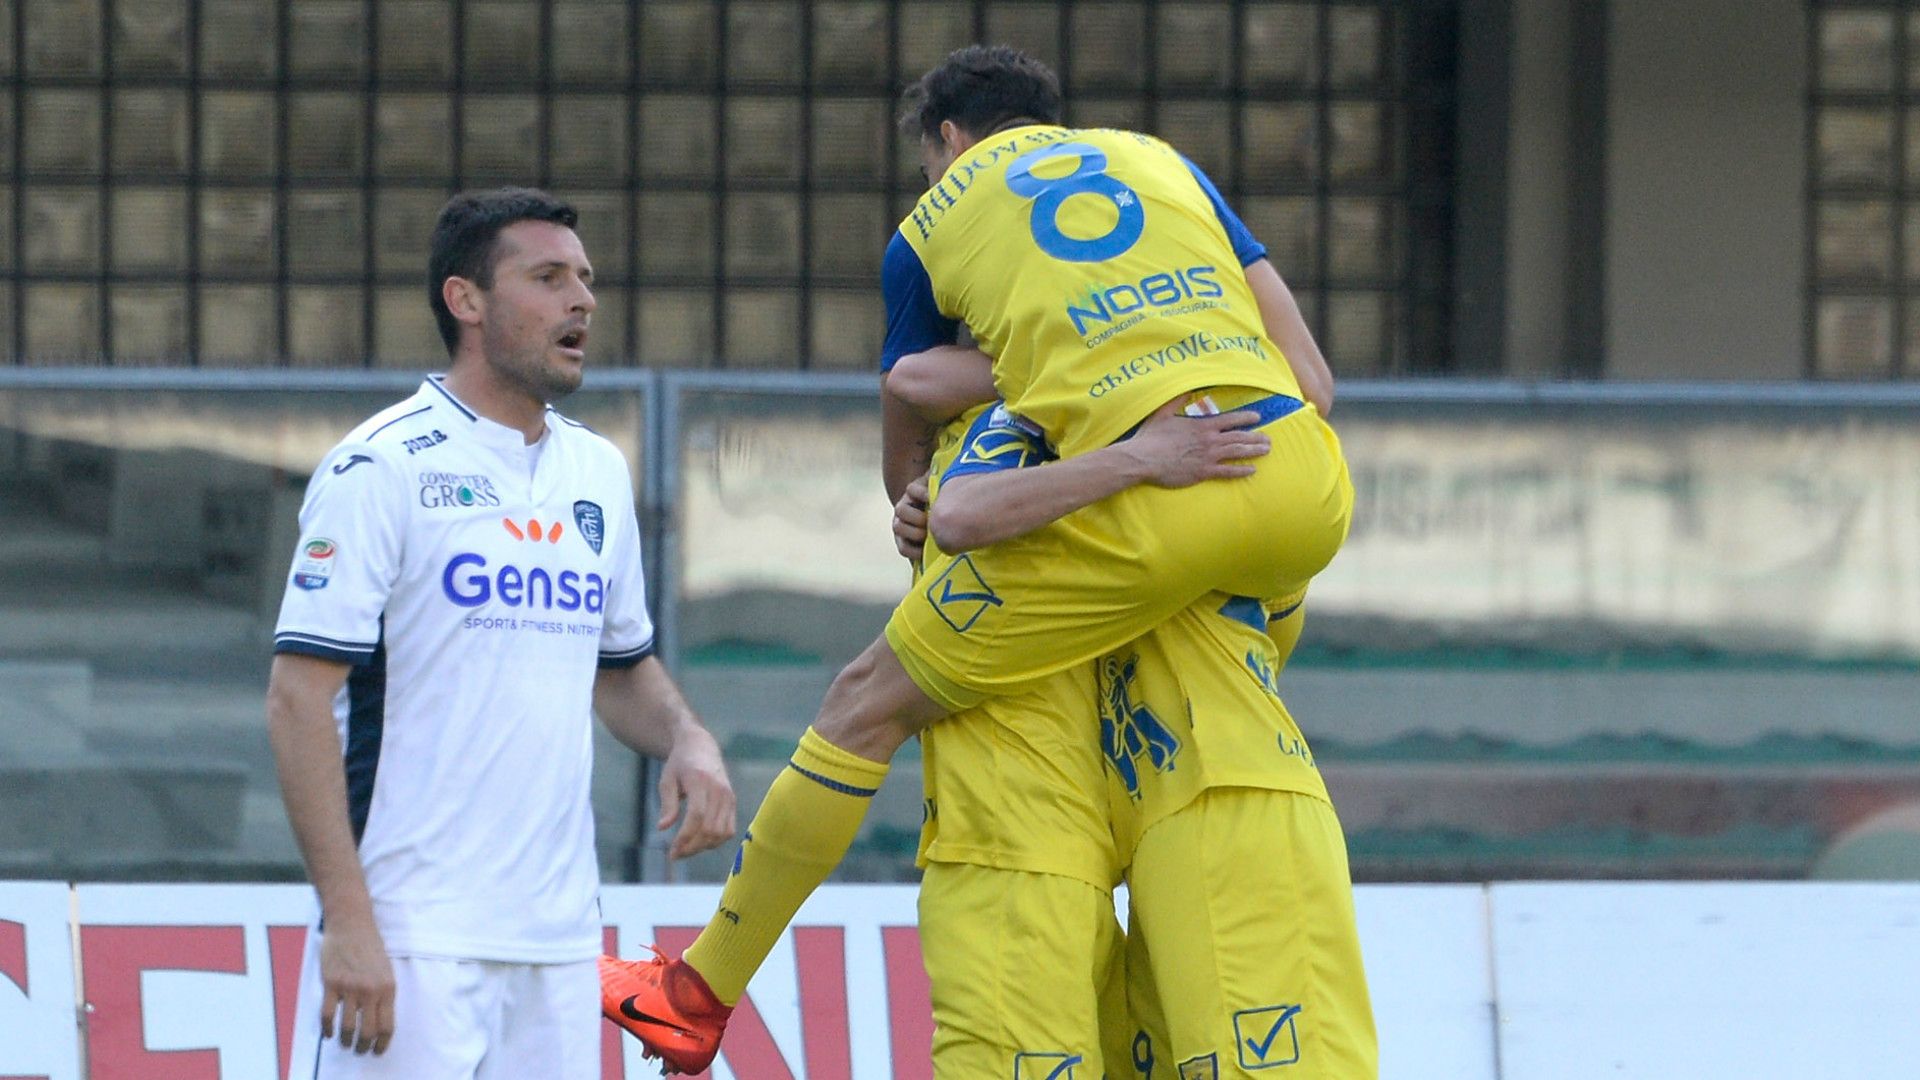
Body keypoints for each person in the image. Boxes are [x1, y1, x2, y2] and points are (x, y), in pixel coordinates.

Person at [602, 45, 1356, 1075]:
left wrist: (925, 486)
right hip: (1292, 481)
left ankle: (698, 988)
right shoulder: (1164, 165)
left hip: (1147, 505)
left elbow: (911, 403)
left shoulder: (939, 223)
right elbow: (1312, 378)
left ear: (948, 142)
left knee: (866, 700)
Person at [268, 187, 736, 1078]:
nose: (583, 302)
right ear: (467, 300)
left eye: (586, 280)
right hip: (410, 938)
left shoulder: (597, 471)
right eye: (549, 277)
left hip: (559, 945)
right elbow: (298, 698)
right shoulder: (381, 466)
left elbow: (620, 666)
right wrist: (350, 919)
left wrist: (688, 737)